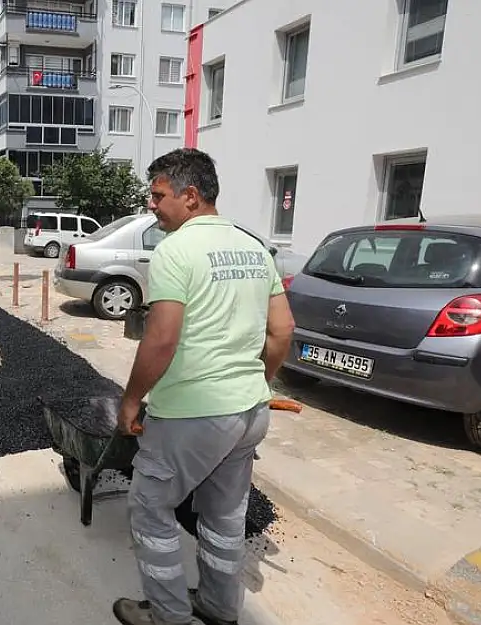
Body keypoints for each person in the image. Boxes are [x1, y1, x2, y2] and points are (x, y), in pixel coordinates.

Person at [112, 149, 295, 625]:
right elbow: (282, 331)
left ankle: (170, 617)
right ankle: (218, 608)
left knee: (150, 510)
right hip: (250, 414)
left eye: (158, 195)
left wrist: (131, 401)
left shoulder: (176, 250)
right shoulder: (255, 248)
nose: (152, 205)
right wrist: (257, 382)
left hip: (194, 415)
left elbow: (162, 338)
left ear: (189, 196)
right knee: (224, 518)